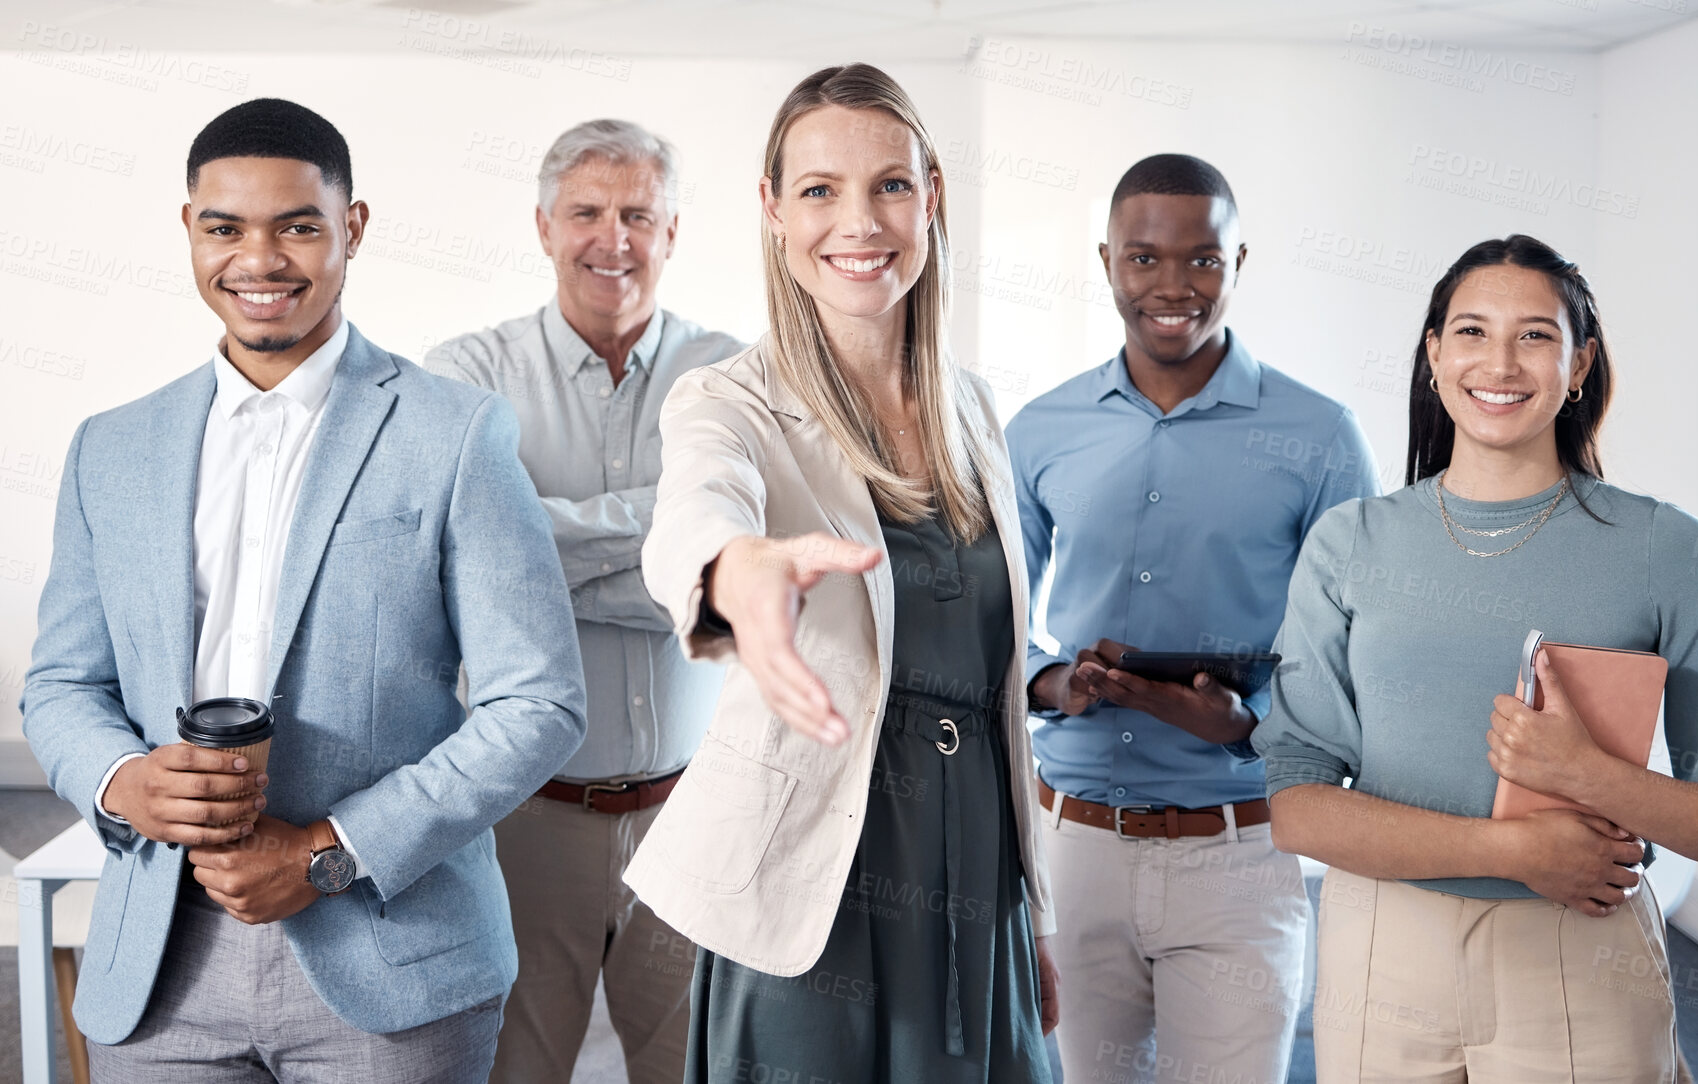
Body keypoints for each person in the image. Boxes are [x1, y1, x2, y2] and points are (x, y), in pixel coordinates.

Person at [21, 98, 587, 1083]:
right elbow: (61, 685)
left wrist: (332, 849)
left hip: (394, 960)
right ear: (189, 230)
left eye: (296, 224)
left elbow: (539, 702)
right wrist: (122, 780)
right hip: (159, 968)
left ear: (351, 227)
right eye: (225, 227)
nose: (259, 258)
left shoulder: (457, 434)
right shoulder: (108, 449)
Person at [1253, 234, 1698, 1082]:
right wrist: (1514, 852)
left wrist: (1591, 775)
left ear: (1578, 363)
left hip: (1578, 947)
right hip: (1379, 946)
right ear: (1433, 356)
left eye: (1535, 335)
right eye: (1470, 332)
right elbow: (1298, 806)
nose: (1500, 362)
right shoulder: (1349, 544)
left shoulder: (1665, 548)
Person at [622, 63, 1057, 1082]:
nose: (858, 222)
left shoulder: (977, 409)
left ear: (931, 196)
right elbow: (694, 514)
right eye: (819, 189)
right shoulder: (726, 400)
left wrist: (1033, 911)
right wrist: (739, 575)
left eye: (890, 186)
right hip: (813, 875)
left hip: (977, 866)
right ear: (772, 210)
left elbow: (996, 684)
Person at [1009, 153, 1380, 1084]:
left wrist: (1249, 727)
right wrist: (1057, 683)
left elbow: (1354, 652)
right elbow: (994, 617)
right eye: (1144, 259)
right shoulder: (1039, 430)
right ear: (1106, 262)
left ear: (1238, 261)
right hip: (1074, 850)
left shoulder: (1320, 435)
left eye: (1202, 260)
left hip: (1240, 850)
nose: (1172, 287)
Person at [425, 118, 743, 1084]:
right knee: (516, 1069)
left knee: (688, 1070)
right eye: (587, 213)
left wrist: (540, 559)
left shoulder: (734, 375)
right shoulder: (468, 376)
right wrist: (672, 553)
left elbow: (739, 569)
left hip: (688, 815)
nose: (613, 239)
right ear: (543, 226)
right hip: (526, 818)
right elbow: (465, 567)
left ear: (674, 231)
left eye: (637, 214)